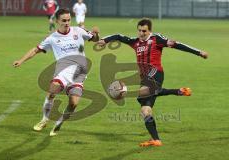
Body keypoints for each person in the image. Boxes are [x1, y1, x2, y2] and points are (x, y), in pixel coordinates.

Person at [97, 18, 208, 147]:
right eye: (139, 30)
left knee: (144, 91)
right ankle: (156, 140)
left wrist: (199, 52)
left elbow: (177, 44)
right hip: (144, 77)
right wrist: (105, 40)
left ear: (150, 30)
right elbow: (119, 36)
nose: (141, 33)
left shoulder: (157, 39)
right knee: (145, 110)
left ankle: (174, 91)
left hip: (156, 73)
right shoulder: (135, 42)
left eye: (144, 31)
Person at [13, 8, 99, 136]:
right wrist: (21, 60)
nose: (67, 23)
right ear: (57, 21)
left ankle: (59, 123)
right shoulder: (52, 38)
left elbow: (95, 39)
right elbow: (36, 49)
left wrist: (96, 33)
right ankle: (44, 119)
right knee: (52, 91)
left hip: (79, 72)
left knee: (74, 103)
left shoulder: (79, 31)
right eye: (64, 20)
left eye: (69, 20)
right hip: (63, 70)